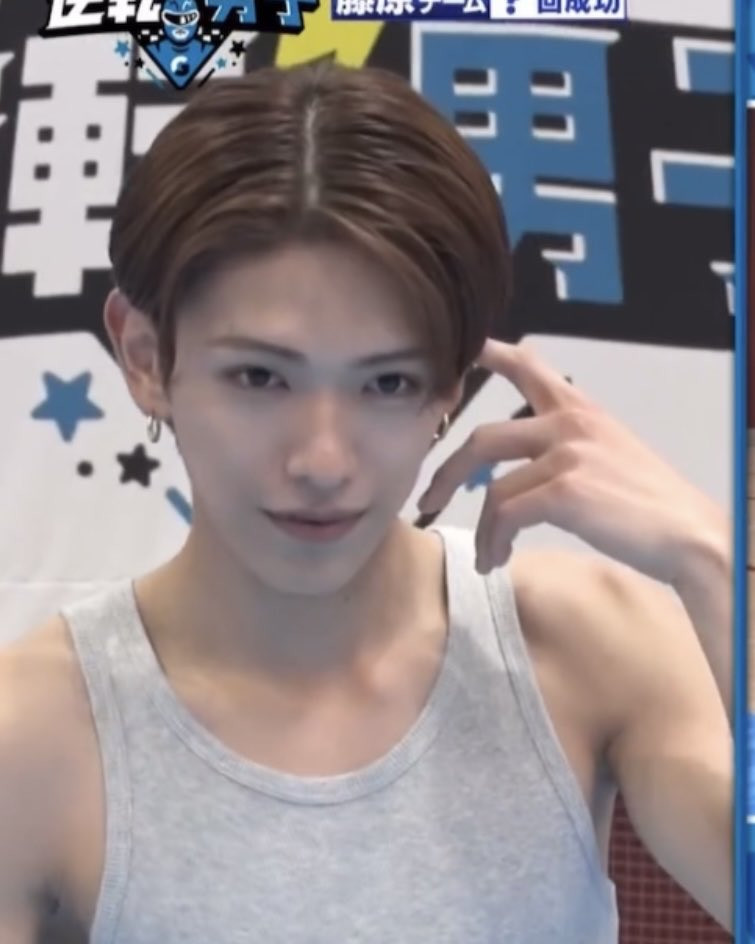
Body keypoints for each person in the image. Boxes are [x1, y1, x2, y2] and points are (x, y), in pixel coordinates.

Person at [0, 61, 732, 943]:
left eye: (386, 383)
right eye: (260, 377)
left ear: (449, 387)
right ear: (147, 359)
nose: (322, 460)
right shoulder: (32, 727)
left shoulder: (585, 643)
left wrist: (713, 564)